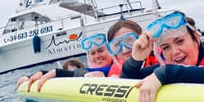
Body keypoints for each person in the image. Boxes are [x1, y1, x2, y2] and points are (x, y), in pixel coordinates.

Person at [16, 19, 144, 92]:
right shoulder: (96, 71)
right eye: (92, 53)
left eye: (100, 51)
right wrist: (37, 74)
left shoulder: (119, 65)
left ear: (110, 51)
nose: (97, 56)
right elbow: (77, 72)